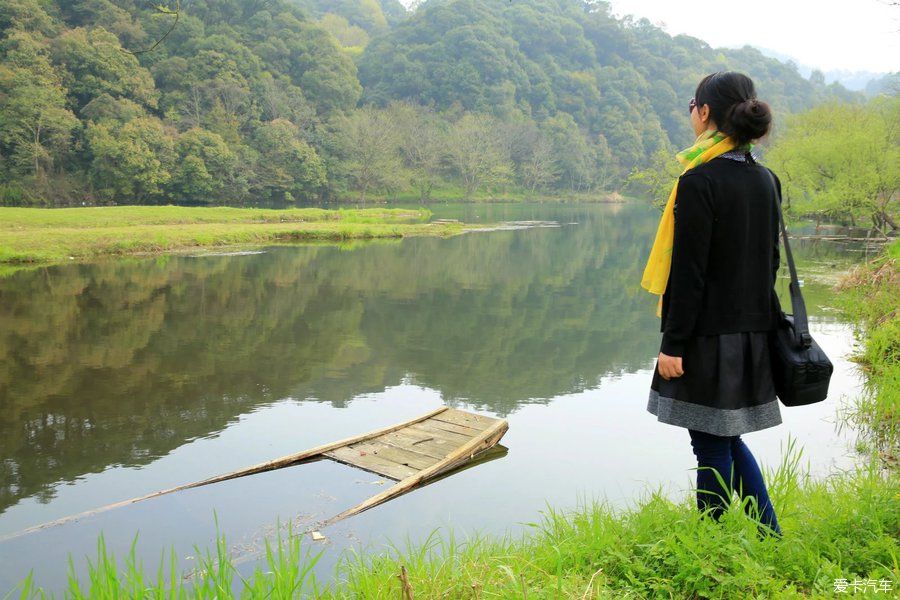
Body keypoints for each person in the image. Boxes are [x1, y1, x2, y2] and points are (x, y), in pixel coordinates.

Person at [641, 71, 784, 538]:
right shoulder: (766, 179)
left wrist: (672, 344)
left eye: (692, 106)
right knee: (724, 435)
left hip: (706, 337)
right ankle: (769, 533)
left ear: (704, 113)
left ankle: (711, 542)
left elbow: (689, 274)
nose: (691, 114)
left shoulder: (699, 181)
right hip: (750, 333)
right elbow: (770, 264)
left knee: (709, 444)